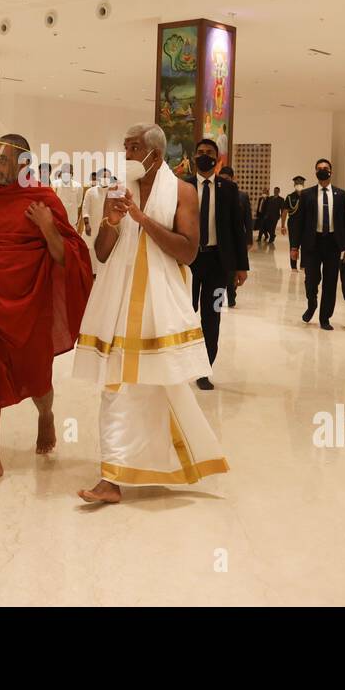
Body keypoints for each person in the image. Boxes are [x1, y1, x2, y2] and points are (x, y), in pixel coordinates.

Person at [73, 123, 229, 504]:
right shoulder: (115, 190)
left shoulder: (182, 192)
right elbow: (103, 252)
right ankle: (111, 477)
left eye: (133, 148)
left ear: (155, 156)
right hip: (117, 301)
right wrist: (111, 222)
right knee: (115, 387)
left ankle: (172, 460)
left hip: (160, 304)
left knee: (160, 388)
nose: (126, 155)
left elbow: (188, 251)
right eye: (124, 147)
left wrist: (141, 220)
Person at [0, 134, 92, 488]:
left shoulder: (44, 199)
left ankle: (46, 414)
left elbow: (68, 257)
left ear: (23, 164)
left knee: (36, 377)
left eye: (1, 160)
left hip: (30, 305)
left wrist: (47, 228)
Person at [184, 141, 249, 385]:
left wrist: (241, 266)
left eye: (209, 153)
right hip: (187, 262)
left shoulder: (229, 189)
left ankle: (204, 369)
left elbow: (237, 230)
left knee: (212, 317)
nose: (204, 157)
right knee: (185, 314)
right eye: (200, 153)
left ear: (217, 158)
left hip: (218, 265)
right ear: (194, 156)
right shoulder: (183, 186)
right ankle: (181, 365)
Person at [290, 158, 345, 330]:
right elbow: (299, 222)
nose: (322, 170)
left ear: (331, 171)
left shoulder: (340, 195)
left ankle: (325, 317)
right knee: (311, 280)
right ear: (315, 172)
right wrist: (294, 247)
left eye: (325, 168)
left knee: (330, 283)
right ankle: (312, 305)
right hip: (312, 243)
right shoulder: (307, 194)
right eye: (319, 168)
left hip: (333, 244)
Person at [220, 165, 252, 307]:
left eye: (227, 179)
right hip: (219, 241)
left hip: (235, 241)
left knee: (232, 271)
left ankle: (231, 297)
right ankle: (219, 301)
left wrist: (249, 240)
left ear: (232, 179)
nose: (224, 181)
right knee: (220, 272)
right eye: (222, 179)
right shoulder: (216, 194)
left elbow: (248, 220)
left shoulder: (242, 196)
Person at [80, 168, 110, 276]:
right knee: (89, 249)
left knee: (102, 250)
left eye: (107, 177)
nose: (104, 179)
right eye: (103, 176)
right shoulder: (90, 191)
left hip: (106, 228)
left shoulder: (113, 192)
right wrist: (87, 224)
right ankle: (89, 272)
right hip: (91, 226)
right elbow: (85, 208)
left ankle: (99, 273)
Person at [51, 163, 84, 228]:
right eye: (64, 171)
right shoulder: (55, 184)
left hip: (72, 221)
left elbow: (79, 203)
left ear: (72, 173)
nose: (66, 173)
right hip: (58, 220)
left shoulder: (78, 186)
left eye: (68, 171)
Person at [283, 176, 305, 270]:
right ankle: (293, 266)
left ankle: (303, 265)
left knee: (305, 245)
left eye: (300, 183)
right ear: (294, 185)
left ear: (303, 185)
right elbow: (284, 211)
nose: (299, 185)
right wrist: (283, 225)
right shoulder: (290, 197)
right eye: (297, 184)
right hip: (293, 224)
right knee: (293, 245)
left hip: (305, 224)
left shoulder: (307, 195)